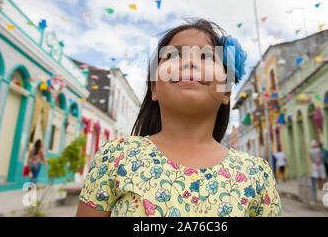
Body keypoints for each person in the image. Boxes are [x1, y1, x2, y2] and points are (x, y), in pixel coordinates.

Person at [76, 19, 281, 217]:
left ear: (226, 91)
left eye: (207, 57)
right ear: (154, 88)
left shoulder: (256, 173)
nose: (190, 62)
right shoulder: (116, 156)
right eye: (174, 55)